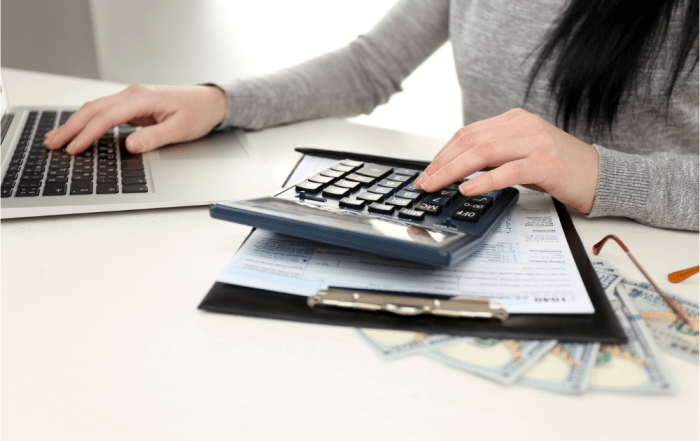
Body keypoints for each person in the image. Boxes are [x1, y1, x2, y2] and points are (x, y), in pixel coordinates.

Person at [44, 0, 698, 231]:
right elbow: (370, 65)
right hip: (492, 235)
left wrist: (604, 174)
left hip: (650, 256)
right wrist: (219, 100)